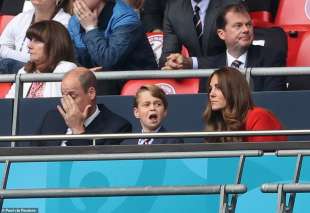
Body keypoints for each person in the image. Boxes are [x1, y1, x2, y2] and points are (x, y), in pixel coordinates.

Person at [163, 3, 286, 92]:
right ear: (222, 34)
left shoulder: (271, 58)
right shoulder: (211, 67)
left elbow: (273, 101)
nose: (246, 30)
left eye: (248, 25)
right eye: (238, 26)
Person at [68, 0, 157, 95]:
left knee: (101, 79)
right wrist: (82, 71)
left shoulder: (125, 17)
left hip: (137, 88)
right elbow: (73, 58)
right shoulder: (74, 21)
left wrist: (90, 28)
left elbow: (108, 61)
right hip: (96, 85)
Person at [36, 67, 132, 146]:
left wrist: (77, 129)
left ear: (91, 93)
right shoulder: (51, 118)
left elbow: (92, 166)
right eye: (64, 96)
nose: (67, 102)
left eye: (72, 96)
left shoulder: (117, 127)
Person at [203, 67, 287, 143]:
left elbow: (266, 158)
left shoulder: (258, 116)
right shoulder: (218, 123)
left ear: (233, 90)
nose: (211, 94)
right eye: (210, 89)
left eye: (218, 88)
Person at [5, 20, 77, 98]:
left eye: (37, 41)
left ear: (54, 45)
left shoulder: (66, 69)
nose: (29, 45)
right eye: (31, 40)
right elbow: (9, 105)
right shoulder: (24, 71)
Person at [159, 0, 241, 68]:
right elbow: (168, 54)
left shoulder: (231, 5)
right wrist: (172, 62)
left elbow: (238, 53)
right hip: (193, 80)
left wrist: (193, 63)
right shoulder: (173, 9)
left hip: (228, 74)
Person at [0, 0, 72, 67]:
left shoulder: (66, 22)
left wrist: (9, 55)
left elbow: (46, 58)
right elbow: (2, 47)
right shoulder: (21, 17)